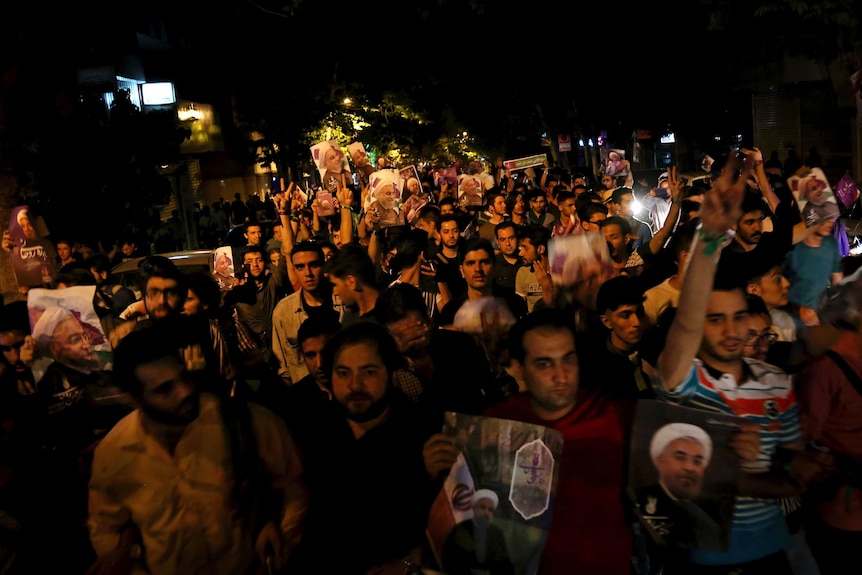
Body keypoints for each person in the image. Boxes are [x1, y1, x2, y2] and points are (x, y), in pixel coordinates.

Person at [654, 155, 828, 574]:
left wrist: (800, 468)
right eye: (715, 319)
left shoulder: (773, 381)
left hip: (771, 552)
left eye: (738, 317)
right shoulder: (685, 378)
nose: (730, 330)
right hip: (702, 556)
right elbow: (687, 320)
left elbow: (791, 462)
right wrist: (710, 237)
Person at [86, 320, 309, 575]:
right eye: (165, 389)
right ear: (135, 398)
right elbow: (105, 528)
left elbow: (294, 486)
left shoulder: (244, 422)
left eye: (183, 376)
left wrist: (281, 544)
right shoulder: (115, 452)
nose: (185, 392)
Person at [634, 423, 725, 551]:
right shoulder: (636, 499)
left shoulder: (708, 521)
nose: (689, 467)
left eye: (697, 461)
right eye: (680, 457)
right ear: (660, 461)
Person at [441, 488, 515, 575]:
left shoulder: (497, 534)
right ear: (474, 508)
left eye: (490, 510)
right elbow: (449, 561)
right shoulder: (460, 530)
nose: (486, 512)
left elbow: (505, 566)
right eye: (483, 507)